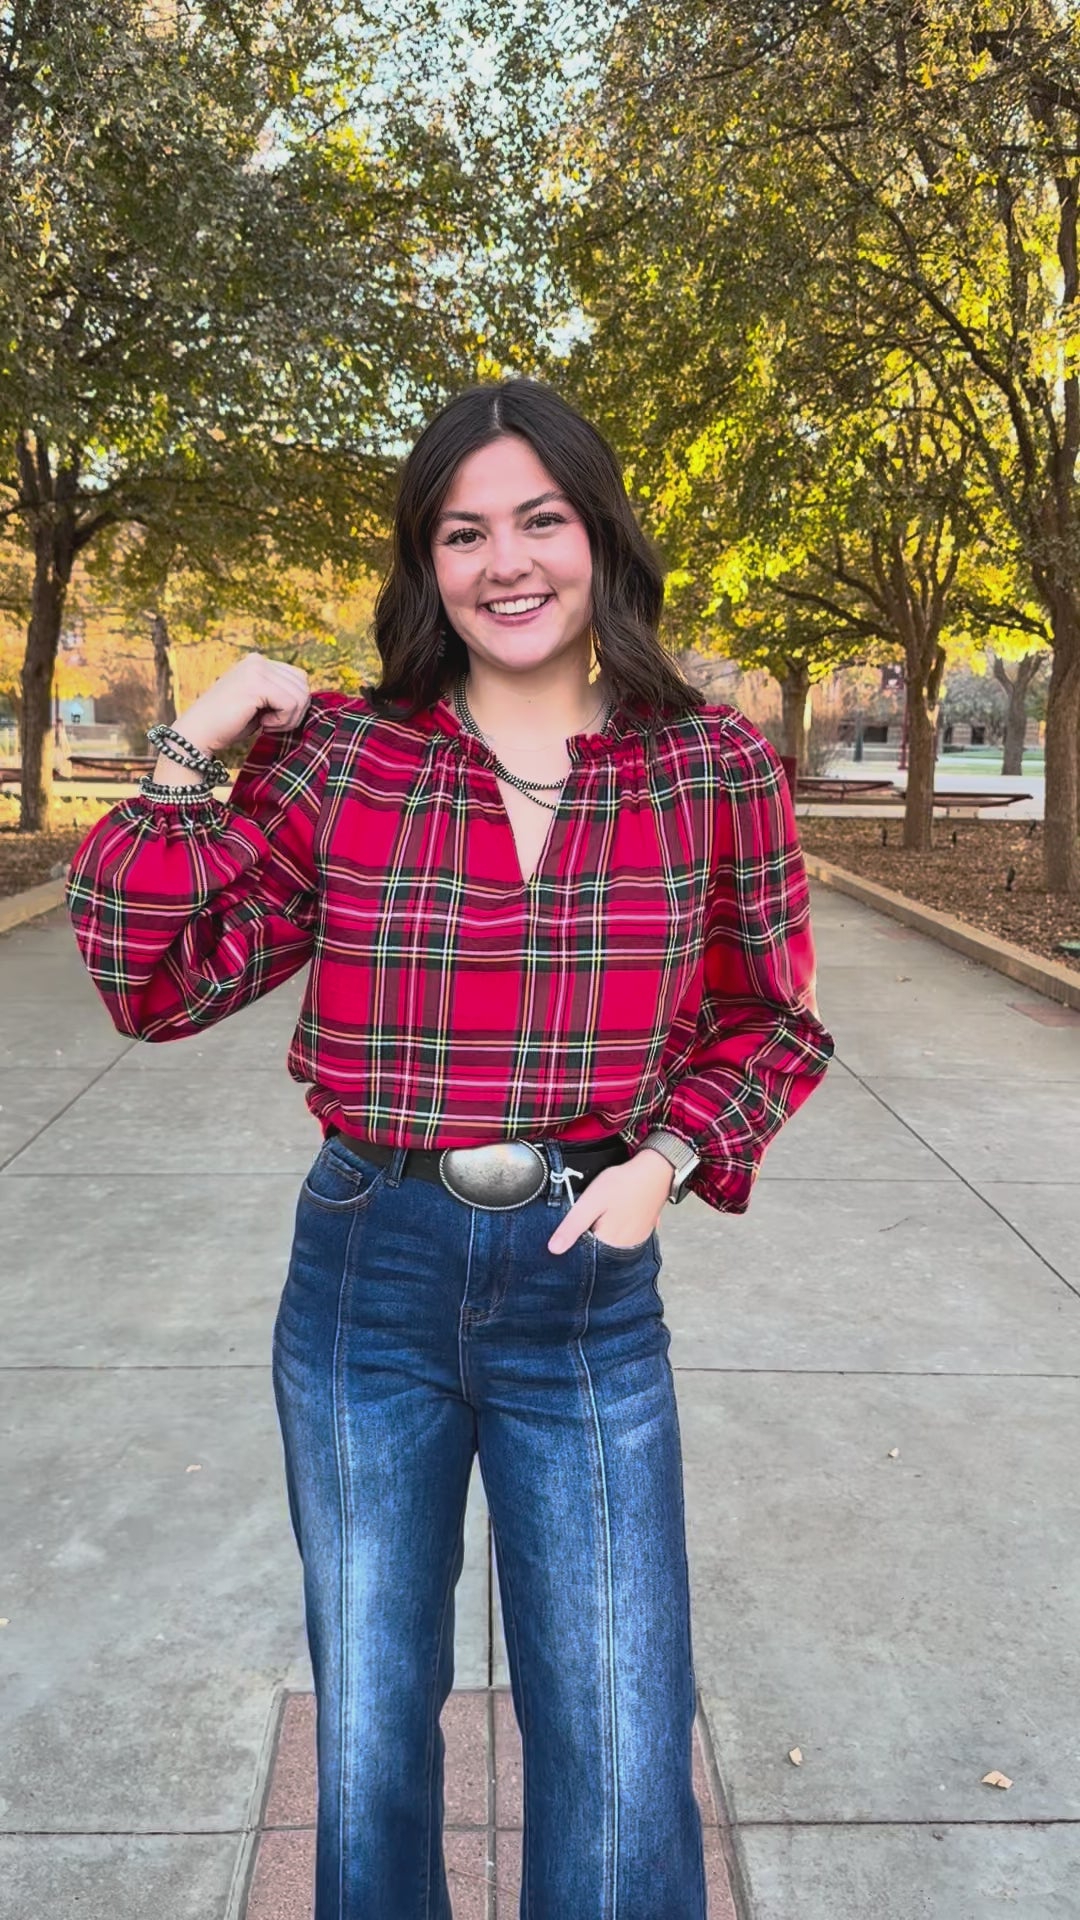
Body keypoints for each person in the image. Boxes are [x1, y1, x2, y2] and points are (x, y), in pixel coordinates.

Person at [66, 378, 835, 1920]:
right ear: (426, 565)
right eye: (463, 530)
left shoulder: (713, 768)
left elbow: (773, 1019)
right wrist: (196, 743)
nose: (507, 561)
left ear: (599, 534)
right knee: (370, 1730)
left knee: (619, 1743)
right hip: (369, 1281)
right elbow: (155, 982)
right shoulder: (350, 759)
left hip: (586, 1285)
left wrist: (663, 1166)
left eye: (539, 519)